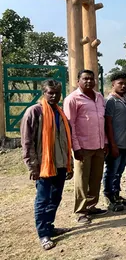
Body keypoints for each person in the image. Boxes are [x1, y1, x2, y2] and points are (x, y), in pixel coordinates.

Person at [21, 79, 73, 250]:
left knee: (55, 197)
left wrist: (68, 163)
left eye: (57, 93)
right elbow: (27, 142)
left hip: (59, 163)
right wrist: (32, 166)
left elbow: (65, 140)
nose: (53, 96)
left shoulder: (60, 112)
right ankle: (43, 234)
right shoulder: (34, 112)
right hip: (44, 165)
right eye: (50, 92)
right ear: (43, 93)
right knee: (43, 200)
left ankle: (49, 226)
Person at [64, 70, 107, 225]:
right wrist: (76, 148)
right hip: (83, 147)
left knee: (96, 178)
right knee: (82, 180)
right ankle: (81, 211)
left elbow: (102, 121)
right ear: (78, 81)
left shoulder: (99, 97)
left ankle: (91, 206)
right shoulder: (72, 99)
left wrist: (106, 142)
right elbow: (71, 126)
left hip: (99, 146)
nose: (89, 81)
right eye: (85, 79)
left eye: (91, 78)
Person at [104, 72, 126, 212]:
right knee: (111, 172)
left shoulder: (125, 98)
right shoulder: (111, 101)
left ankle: (116, 194)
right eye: (120, 83)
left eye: (125, 83)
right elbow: (108, 123)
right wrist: (112, 144)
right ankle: (109, 198)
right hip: (116, 144)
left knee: (119, 172)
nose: (123, 86)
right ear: (113, 84)